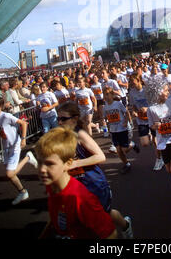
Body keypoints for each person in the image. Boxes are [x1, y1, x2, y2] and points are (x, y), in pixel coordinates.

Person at [56, 102, 133, 238]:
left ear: (74, 119)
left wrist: (75, 164)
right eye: (58, 119)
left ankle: (125, 226)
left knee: (104, 214)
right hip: (77, 186)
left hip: (93, 183)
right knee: (83, 219)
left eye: (63, 119)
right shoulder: (62, 136)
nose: (59, 122)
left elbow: (100, 156)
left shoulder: (80, 135)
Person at [35, 127, 117, 239]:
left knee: (109, 213)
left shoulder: (80, 199)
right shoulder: (51, 184)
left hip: (96, 186)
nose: (42, 169)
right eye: (40, 162)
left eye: (50, 164)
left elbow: (111, 234)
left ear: (68, 163)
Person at [147, 80, 171, 214]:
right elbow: (151, 126)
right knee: (169, 169)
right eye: (165, 90)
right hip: (163, 141)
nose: (168, 92)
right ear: (158, 92)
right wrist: (156, 126)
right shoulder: (151, 109)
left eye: (168, 90)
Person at [0, 97, 38, 205]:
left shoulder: (6, 116)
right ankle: (22, 192)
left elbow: (24, 123)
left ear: (0, 106)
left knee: (10, 174)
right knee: (10, 175)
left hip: (15, 145)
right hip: (6, 148)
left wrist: (24, 139)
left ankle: (27, 158)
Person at [129, 75, 163, 171]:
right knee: (144, 143)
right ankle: (148, 137)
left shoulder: (147, 90)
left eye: (133, 81)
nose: (131, 83)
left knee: (156, 142)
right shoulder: (131, 92)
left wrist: (147, 108)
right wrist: (134, 111)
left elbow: (156, 103)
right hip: (141, 120)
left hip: (152, 119)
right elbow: (133, 106)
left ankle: (159, 159)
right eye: (130, 81)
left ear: (139, 80)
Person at [103, 87, 139, 174]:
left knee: (125, 150)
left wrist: (126, 122)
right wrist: (106, 127)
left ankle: (132, 144)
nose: (107, 96)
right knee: (118, 150)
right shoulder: (105, 107)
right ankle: (126, 164)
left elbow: (126, 112)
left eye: (108, 94)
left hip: (122, 129)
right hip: (113, 130)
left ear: (112, 95)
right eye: (105, 95)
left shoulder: (118, 104)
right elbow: (105, 118)